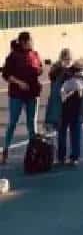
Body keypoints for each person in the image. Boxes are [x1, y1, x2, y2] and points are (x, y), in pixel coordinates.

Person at [2, 32, 43, 164]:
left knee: (32, 123)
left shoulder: (35, 54)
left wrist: (40, 70)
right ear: (23, 42)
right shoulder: (13, 56)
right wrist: (19, 83)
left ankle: (34, 151)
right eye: (29, 41)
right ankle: (5, 150)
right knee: (13, 122)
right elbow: (6, 74)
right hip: (17, 95)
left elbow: (39, 68)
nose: (31, 43)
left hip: (32, 94)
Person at [54, 62, 83, 166]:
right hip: (76, 112)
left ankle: (63, 157)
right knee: (74, 134)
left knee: (65, 134)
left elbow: (59, 95)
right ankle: (72, 157)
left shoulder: (68, 78)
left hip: (70, 111)